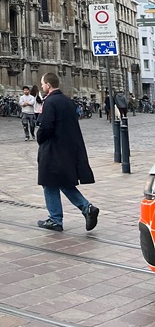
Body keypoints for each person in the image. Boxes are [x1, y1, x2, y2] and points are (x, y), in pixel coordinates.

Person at [36, 71, 98, 232]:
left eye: (42, 84)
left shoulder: (50, 102)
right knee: (63, 182)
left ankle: (55, 219)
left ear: (48, 85)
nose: (42, 86)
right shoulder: (68, 101)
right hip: (68, 148)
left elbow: (46, 126)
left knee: (49, 183)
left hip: (53, 149)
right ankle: (87, 208)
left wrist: (39, 137)